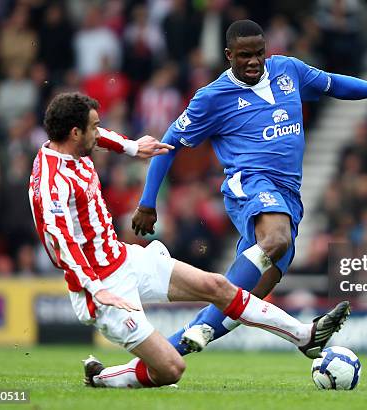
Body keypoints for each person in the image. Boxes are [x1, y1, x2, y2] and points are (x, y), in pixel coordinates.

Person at [131, 20, 367, 355]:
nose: (253, 61)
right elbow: (169, 143)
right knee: (277, 239)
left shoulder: (288, 70)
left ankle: (153, 360)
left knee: (248, 298)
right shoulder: (211, 97)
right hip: (251, 184)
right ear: (229, 56)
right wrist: (148, 202)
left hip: (288, 196)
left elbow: (332, 84)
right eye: (244, 56)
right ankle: (206, 327)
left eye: (258, 54)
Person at [29, 92, 350, 389]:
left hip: (123, 258)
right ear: (75, 133)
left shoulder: (73, 146)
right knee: (170, 370)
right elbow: (60, 243)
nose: (99, 133)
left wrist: (130, 147)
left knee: (219, 288)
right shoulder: (51, 182)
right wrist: (96, 289)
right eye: (94, 128)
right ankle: (101, 377)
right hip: (98, 288)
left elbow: (103, 138)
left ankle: (305, 336)